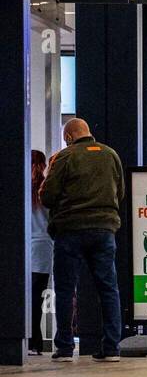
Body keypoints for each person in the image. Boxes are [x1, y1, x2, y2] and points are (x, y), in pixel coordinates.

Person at [41, 118, 125, 363]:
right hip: (104, 230)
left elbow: (48, 195)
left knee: (66, 289)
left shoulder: (65, 157)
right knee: (108, 289)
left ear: (68, 136)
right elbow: (120, 193)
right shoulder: (111, 155)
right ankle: (111, 349)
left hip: (71, 230)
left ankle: (65, 348)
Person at [29, 150, 52, 354]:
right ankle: (36, 342)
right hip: (44, 248)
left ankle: (26, 339)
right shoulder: (46, 189)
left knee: (23, 298)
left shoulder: (21, 188)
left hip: (23, 249)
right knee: (38, 298)